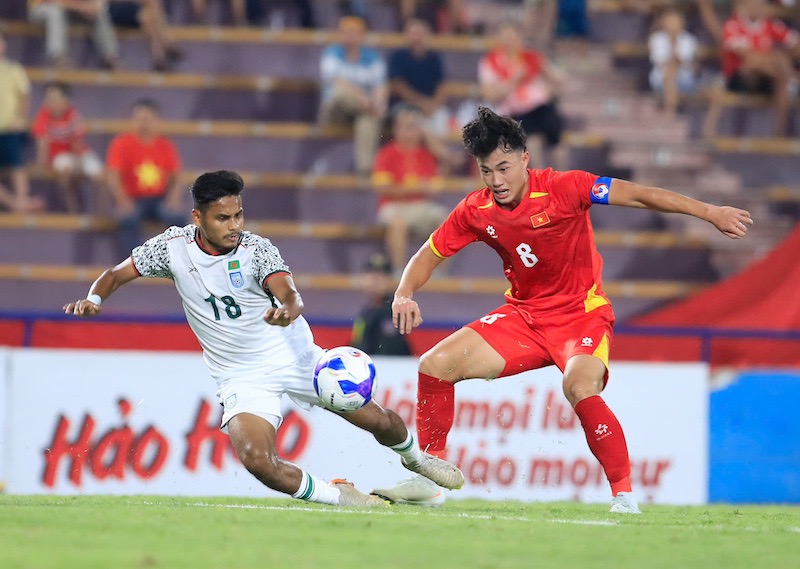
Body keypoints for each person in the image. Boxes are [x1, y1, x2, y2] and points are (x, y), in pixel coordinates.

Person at [371, 107, 753, 511]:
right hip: (525, 318)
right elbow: (430, 252)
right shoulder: (476, 210)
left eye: (503, 168)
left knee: (579, 387)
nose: (496, 181)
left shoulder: (566, 187)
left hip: (581, 316)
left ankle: (624, 497)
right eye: (486, 171)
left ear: (525, 159)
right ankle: (428, 480)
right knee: (434, 365)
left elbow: (639, 195)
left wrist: (710, 212)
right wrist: (404, 291)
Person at [62, 170, 464, 507]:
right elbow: (116, 274)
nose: (235, 225)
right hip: (240, 375)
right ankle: (341, 497)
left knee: (377, 420)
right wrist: (94, 299)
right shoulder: (171, 248)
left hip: (294, 356)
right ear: (197, 218)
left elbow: (290, 294)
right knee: (258, 460)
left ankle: (417, 461)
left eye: (238, 215)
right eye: (223, 218)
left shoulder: (255, 250)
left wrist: (287, 309)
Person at [478, 20, 568, 171]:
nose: (510, 42)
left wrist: (552, 86)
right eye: (505, 37)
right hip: (515, 112)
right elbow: (490, 94)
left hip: (540, 106)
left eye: (513, 37)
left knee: (557, 144)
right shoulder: (491, 62)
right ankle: (540, 180)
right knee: (532, 144)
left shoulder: (531, 57)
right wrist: (513, 81)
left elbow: (558, 79)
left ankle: (563, 179)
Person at [703, 0, 800, 138]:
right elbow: (747, 56)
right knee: (758, 63)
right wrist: (777, 60)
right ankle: (790, 77)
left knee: (780, 71)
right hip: (738, 79)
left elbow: (795, 42)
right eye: (753, 4)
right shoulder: (733, 26)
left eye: (760, 5)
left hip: (766, 79)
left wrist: (783, 58)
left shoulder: (770, 25)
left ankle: (778, 132)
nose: (756, 8)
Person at [372, 105, 448, 275]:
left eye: (414, 127)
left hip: (420, 205)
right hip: (393, 206)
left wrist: (420, 188)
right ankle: (400, 272)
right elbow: (382, 188)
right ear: (396, 129)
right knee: (397, 223)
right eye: (406, 127)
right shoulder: (386, 154)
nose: (410, 132)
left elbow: (435, 187)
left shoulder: (426, 155)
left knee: (448, 221)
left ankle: (438, 274)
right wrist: (413, 188)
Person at [106, 98, 185, 256]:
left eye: (148, 119)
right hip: (133, 199)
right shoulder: (121, 143)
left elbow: (177, 178)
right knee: (128, 219)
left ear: (157, 120)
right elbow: (113, 176)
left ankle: (175, 260)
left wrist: (173, 199)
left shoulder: (165, 145)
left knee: (178, 219)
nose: (144, 123)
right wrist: (123, 200)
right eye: (140, 119)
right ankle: (136, 261)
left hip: (159, 199)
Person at [387, 17, 461, 174]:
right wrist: (422, 104)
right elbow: (399, 87)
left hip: (430, 106)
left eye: (420, 33)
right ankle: (446, 157)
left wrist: (433, 105)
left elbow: (441, 86)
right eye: (413, 33)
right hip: (404, 106)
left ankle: (442, 170)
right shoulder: (398, 57)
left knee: (442, 120)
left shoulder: (434, 58)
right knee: (418, 123)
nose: (417, 37)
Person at [319, 16, 388, 176]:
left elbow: (380, 85)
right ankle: (371, 109)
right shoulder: (332, 53)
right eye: (347, 32)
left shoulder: (372, 57)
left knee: (368, 121)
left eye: (355, 32)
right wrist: (364, 100)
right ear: (340, 34)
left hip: (361, 112)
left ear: (362, 35)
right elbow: (337, 82)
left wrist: (379, 101)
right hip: (335, 112)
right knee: (339, 93)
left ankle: (364, 170)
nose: (351, 36)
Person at [32, 81, 105, 213]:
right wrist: (41, 163)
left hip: (80, 153)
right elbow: (42, 142)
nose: (50, 102)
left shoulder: (73, 114)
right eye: (48, 99)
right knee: (65, 172)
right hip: (59, 156)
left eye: (55, 99)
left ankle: (101, 212)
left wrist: (80, 162)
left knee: (100, 176)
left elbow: (78, 141)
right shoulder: (43, 115)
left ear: (66, 101)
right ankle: (73, 209)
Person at [0, 29, 41, 213]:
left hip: (10, 129)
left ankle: (21, 200)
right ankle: (13, 203)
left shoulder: (13, 69)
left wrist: (20, 118)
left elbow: (24, 94)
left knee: (17, 167)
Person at [351, 253, 413, 357]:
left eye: (381, 276)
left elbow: (389, 350)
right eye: (370, 274)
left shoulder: (393, 310)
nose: (374, 280)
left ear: (391, 281)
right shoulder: (368, 309)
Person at [28, 0, 120, 69]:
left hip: (70, 11)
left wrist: (92, 8)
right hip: (42, 7)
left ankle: (110, 57)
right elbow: (53, 2)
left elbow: (98, 5)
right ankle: (58, 56)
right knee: (55, 12)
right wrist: (81, 7)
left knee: (100, 15)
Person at [648, 7, 699, 118]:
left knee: (672, 72)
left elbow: (685, 62)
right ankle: (671, 110)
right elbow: (659, 61)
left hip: (685, 79)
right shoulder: (657, 39)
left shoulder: (689, 40)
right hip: (660, 78)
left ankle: (670, 111)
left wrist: (675, 43)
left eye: (675, 21)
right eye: (670, 21)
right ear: (663, 22)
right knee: (669, 73)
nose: (673, 24)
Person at [108, 0, 181, 72]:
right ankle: (166, 43)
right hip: (110, 10)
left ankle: (159, 58)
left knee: (147, 16)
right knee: (149, 7)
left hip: (129, 9)